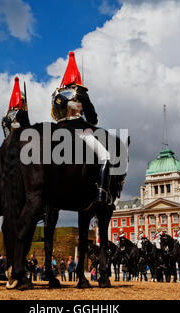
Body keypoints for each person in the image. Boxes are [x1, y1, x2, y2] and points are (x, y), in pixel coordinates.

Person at [51, 51, 111, 204]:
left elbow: (53, 115)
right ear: (77, 77)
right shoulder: (80, 91)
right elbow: (92, 118)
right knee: (105, 157)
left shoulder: (56, 94)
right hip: (79, 130)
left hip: (57, 130)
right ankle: (101, 193)